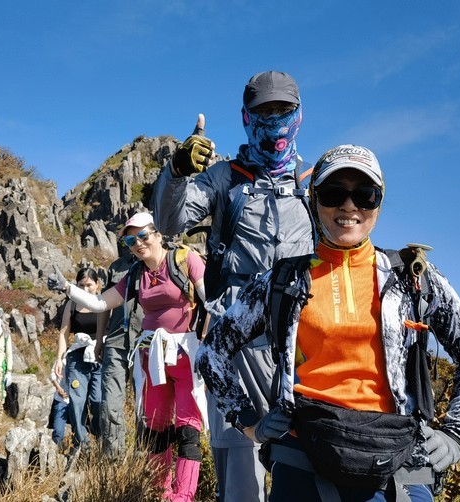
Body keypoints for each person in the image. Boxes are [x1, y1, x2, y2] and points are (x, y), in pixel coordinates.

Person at [196, 145, 460, 502]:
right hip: (303, 459)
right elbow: (212, 351)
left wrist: (457, 434)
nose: (349, 206)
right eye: (334, 193)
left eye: (365, 195)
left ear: (379, 203)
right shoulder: (283, 279)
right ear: (313, 198)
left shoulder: (414, 279)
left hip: (397, 466)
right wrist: (248, 422)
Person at [152, 69, 315, 501]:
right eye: (264, 111)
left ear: (299, 115)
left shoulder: (312, 185)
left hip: (299, 355)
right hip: (235, 353)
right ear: (246, 117)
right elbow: (169, 221)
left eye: (283, 110)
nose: (274, 121)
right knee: (242, 487)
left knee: (302, 477)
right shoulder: (225, 177)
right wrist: (177, 172)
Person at [49, 211, 207, 502]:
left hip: (187, 354)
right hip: (152, 358)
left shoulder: (185, 260)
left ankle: (183, 496)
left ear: (158, 235)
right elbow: (99, 303)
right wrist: (66, 288)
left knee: (188, 428)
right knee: (155, 429)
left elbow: (209, 302)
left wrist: (208, 346)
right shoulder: (136, 275)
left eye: (143, 236)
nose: (138, 243)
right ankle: (160, 493)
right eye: (131, 240)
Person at [94, 251, 141, 458]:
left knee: (146, 405)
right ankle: (113, 458)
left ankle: (147, 457)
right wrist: (99, 340)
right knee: (110, 402)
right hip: (116, 341)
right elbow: (104, 304)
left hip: (146, 342)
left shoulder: (162, 263)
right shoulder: (117, 266)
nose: (137, 241)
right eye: (131, 238)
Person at [53, 267, 105, 452]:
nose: (85, 289)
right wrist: (60, 358)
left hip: (100, 356)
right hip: (77, 357)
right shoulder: (72, 304)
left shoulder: (103, 302)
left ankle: (100, 436)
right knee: (77, 401)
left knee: (98, 401)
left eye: (89, 285)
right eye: (81, 285)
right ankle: (82, 443)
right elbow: (64, 332)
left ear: (97, 284)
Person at [47, 370, 70, 448]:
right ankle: (56, 453)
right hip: (61, 400)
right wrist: (58, 388)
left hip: (77, 402)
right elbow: (52, 374)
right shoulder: (62, 359)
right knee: (58, 431)